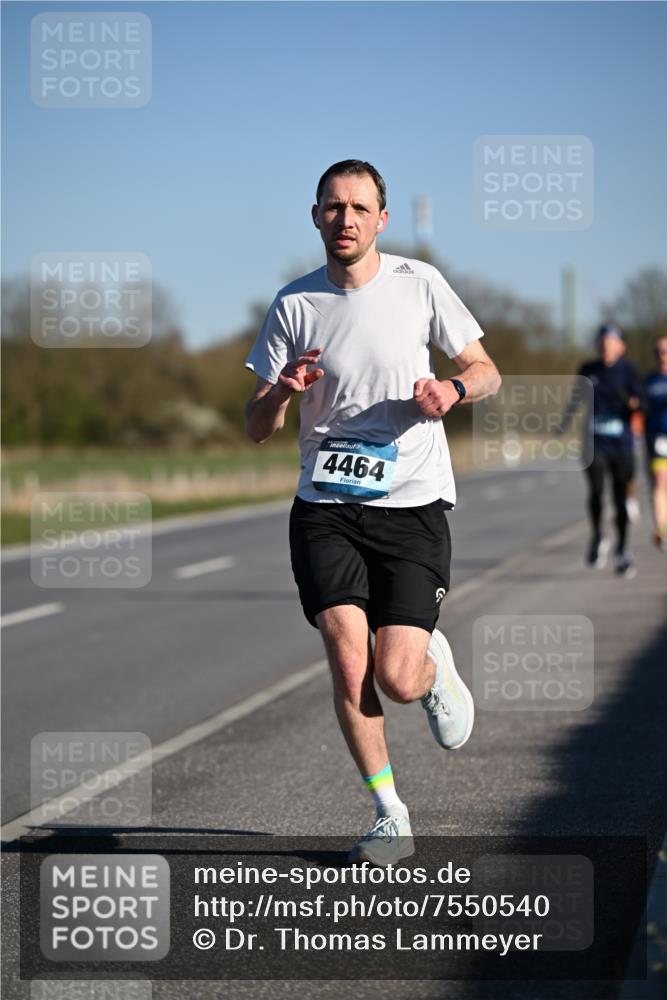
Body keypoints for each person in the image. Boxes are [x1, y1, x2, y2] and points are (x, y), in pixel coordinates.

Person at [244, 159, 501, 866]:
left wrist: (452, 390)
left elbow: (485, 368)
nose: (345, 219)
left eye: (358, 208)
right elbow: (255, 426)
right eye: (332, 207)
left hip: (411, 504)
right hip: (324, 505)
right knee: (345, 653)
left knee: (395, 674)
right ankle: (389, 813)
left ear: (380, 219)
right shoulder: (293, 305)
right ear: (315, 216)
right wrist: (281, 392)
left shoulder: (419, 284)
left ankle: (429, 668)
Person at [561, 324, 643, 578]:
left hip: (622, 445)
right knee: (596, 492)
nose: (606, 346)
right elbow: (576, 398)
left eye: (611, 341)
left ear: (621, 346)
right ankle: (598, 537)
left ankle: (622, 549)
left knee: (620, 499)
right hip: (594, 443)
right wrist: (564, 423)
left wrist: (633, 404)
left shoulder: (629, 370)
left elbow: (643, 404)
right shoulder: (588, 369)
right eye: (602, 341)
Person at [644, 335, 667, 550]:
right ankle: (662, 529)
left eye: (666, 350)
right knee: (660, 482)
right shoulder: (649, 381)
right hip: (659, 438)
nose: (663, 355)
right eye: (659, 351)